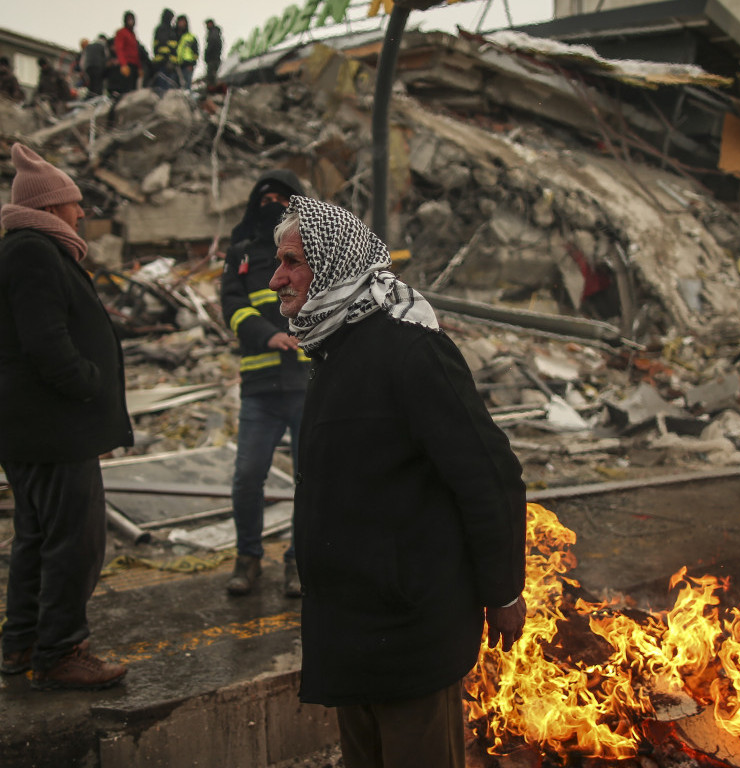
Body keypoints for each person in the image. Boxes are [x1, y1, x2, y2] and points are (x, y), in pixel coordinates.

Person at [269, 196, 527, 767]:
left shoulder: (412, 351)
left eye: (291, 262)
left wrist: (503, 591)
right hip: (349, 632)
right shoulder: (332, 348)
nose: (275, 278)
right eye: (278, 262)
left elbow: (490, 475)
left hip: (409, 631)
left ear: (333, 265)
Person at [0, 143, 134, 690]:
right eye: (73, 203)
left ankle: (23, 646)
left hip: (38, 426)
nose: (82, 212)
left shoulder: (26, 251)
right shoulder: (33, 253)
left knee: (38, 540)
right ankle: (60, 651)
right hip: (51, 427)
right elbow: (47, 344)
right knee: (75, 543)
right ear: (48, 208)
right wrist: (91, 385)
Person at [220, 171, 309, 597]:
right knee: (247, 476)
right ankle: (248, 558)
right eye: (266, 196)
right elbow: (231, 305)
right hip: (260, 385)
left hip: (307, 383)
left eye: (283, 197)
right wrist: (266, 334)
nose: (272, 201)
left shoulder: (310, 249)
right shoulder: (240, 251)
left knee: (308, 479)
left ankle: (298, 563)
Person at [113, 11, 142, 94]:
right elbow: (119, 49)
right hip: (127, 65)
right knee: (126, 89)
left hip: (134, 66)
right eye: (129, 20)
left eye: (132, 20)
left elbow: (136, 52)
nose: (131, 22)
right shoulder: (121, 32)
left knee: (134, 89)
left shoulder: (133, 35)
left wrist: (139, 67)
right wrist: (123, 64)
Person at [151, 9, 179, 89]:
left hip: (171, 63)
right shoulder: (162, 29)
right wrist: (167, 59)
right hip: (163, 62)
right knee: (163, 85)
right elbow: (162, 45)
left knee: (170, 84)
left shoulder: (171, 29)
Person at [174, 15, 199, 90]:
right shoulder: (173, 35)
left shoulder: (191, 37)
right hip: (175, 64)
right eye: (180, 21)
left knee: (186, 86)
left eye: (183, 22)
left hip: (188, 65)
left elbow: (196, 52)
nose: (181, 23)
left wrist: (193, 64)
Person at [203, 19, 222, 92]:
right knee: (213, 76)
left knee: (212, 77)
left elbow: (212, 45)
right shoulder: (214, 33)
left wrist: (207, 54)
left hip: (213, 59)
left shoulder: (213, 33)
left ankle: (212, 91)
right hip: (214, 58)